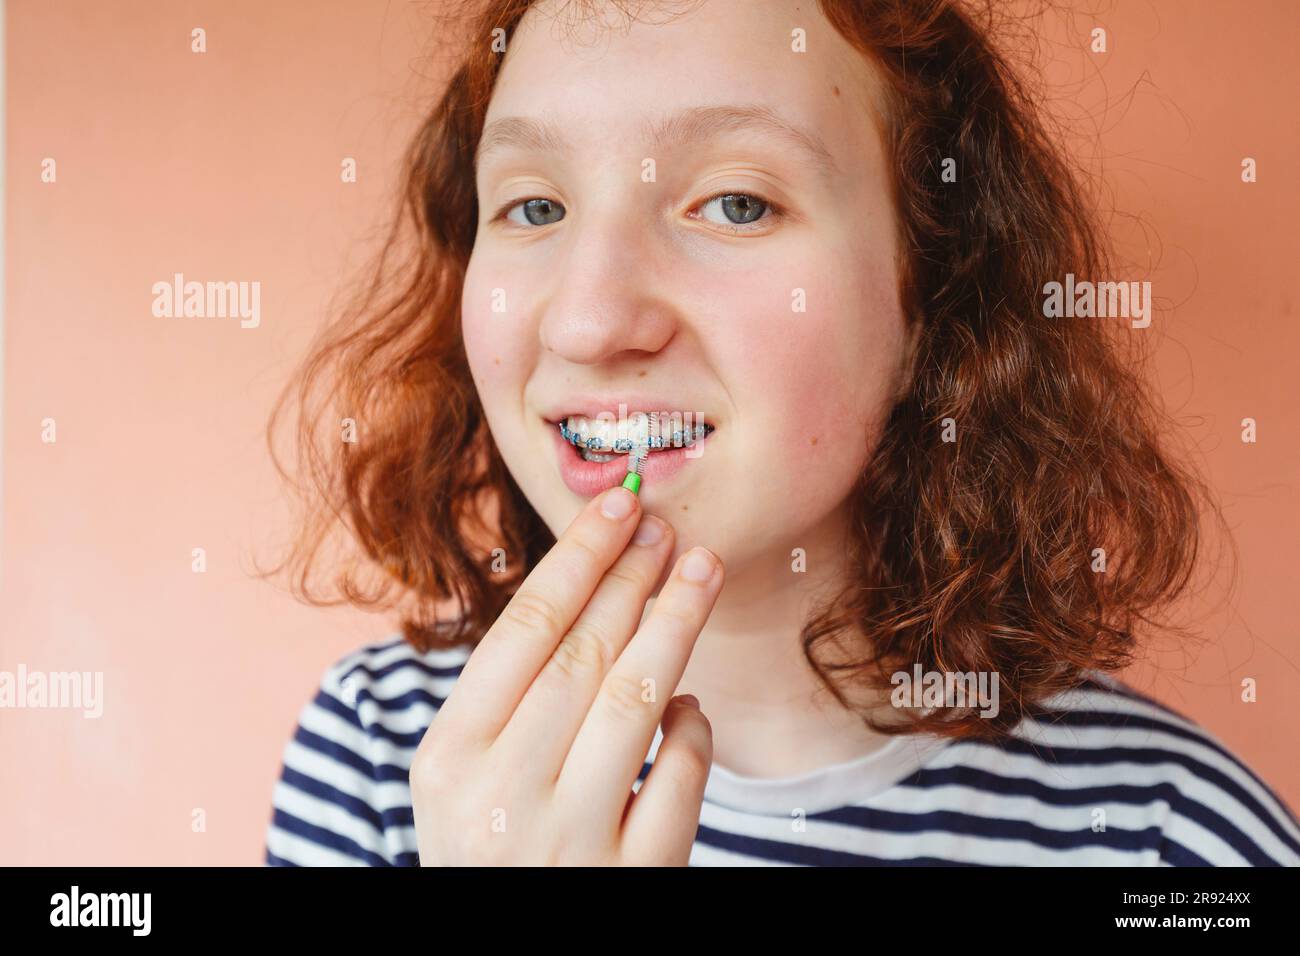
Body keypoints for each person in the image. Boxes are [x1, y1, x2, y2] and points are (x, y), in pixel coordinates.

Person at [261, 0, 1300, 866]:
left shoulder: (1173, 841)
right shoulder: (381, 755)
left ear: (930, 299)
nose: (586, 320)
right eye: (533, 208)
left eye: (736, 203)